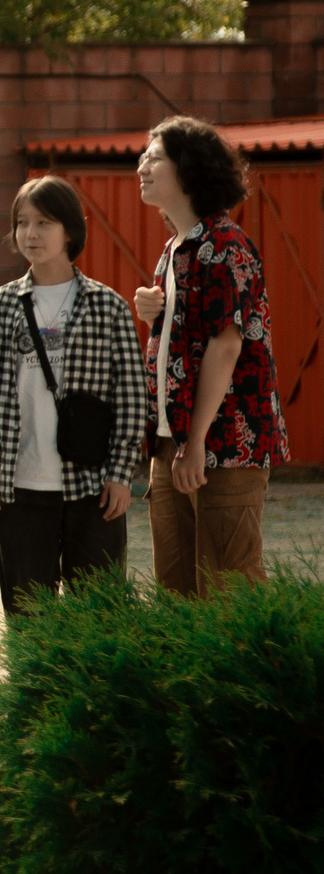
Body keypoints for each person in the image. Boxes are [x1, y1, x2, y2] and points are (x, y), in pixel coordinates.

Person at [0, 176, 151, 617]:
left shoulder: (108, 306)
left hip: (93, 490)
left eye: (44, 222)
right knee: (27, 617)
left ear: (70, 230)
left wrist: (122, 472)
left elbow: (133, 398)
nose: (31, 234)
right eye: (22, 223)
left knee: (98, 619)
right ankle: (34, 689)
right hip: (19, 490)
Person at [131, 118, 289, 594]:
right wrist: (151, 310)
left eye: (154, 157)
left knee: (229, 589)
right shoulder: (174, 250)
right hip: (173, 442)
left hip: (224, 446)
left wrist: (194, 441)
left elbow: (227, 346)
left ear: (189, 170)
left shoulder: (225, 246)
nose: (142, 165)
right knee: (177, 591)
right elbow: (186, 342)